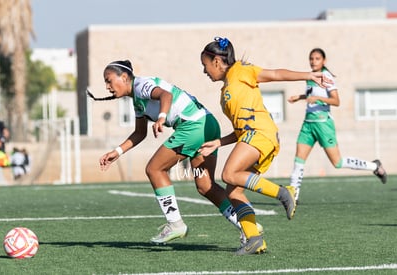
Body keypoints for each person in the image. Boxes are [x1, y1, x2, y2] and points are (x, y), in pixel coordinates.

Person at [93, 60, 258, 246]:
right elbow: (140, 133)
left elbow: (166, 95)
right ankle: (248, 225)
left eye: (109, 81)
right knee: (205, 185)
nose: (107, 87)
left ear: (124, 77)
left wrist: (161, 118)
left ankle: (175, 224)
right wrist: (117, 151)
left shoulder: (140, 85)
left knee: (155, 169)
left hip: (193, 127)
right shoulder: (138, 102)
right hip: (207, 124)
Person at [198, 37, 332, 255]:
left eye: (205, 65)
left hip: (260, 134)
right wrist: (219, 142)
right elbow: (240, 129)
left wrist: (308, 75)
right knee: (234, 191)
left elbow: (276, 74)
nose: (204, 71)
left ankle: (284, 192)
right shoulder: (225, 92)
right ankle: (254, 239)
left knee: (229, 174)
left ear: (216, 61)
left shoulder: (240, 70)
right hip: (253, 137)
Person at [287, 48, 387, 203]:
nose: (314, 61)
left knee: (337, 163)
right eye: (311, 58)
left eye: (317, 58)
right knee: (299, 159)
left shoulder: (327, 77)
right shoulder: (309, 77)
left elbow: (336, 101)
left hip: (323, 124)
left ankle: (374, 166)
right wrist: (300, 97)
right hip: (308, 124)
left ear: (324, 61)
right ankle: (294, 194)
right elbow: (311, 95)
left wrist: (317, 99)